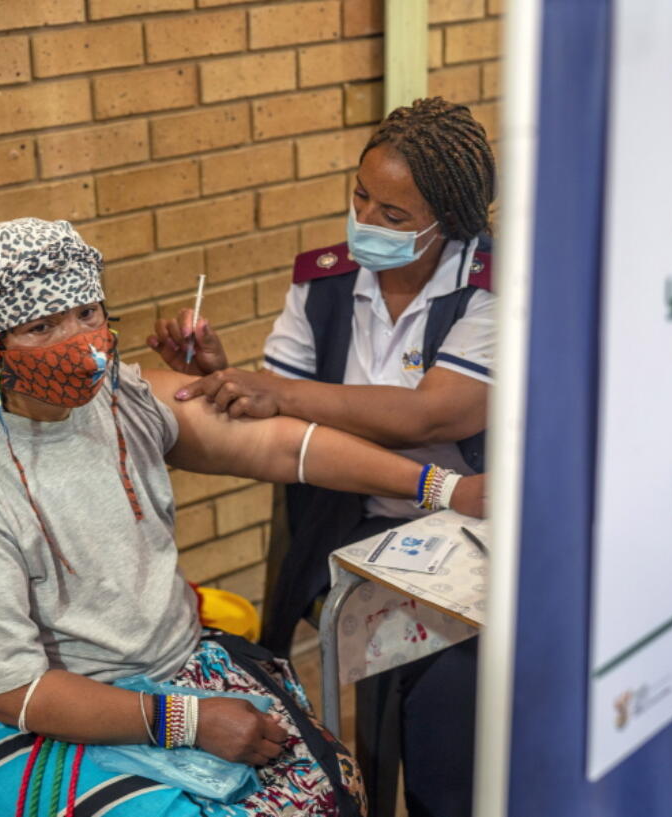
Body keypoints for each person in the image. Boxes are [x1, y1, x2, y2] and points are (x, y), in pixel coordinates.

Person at [0, 218, 484, 817]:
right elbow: (8, 691)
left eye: (87, 312)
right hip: (16, 720)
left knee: (333, 788)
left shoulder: (118, 400)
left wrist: (443, 487)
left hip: (163, 668)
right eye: (42, 326)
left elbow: (282, 446)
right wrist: (185, 719)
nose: (78, 341)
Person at [149, 98, 496, 817]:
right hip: (357, 522)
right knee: (377, 691)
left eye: (395, 216)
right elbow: (279, 415)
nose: (368, 221)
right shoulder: (325, 280)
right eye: (360, 196)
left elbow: (435, 412)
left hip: (473, 523)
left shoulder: (494, 289)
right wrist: (224, 377)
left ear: (450, 222)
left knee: (444, 702)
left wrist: (278, 391)